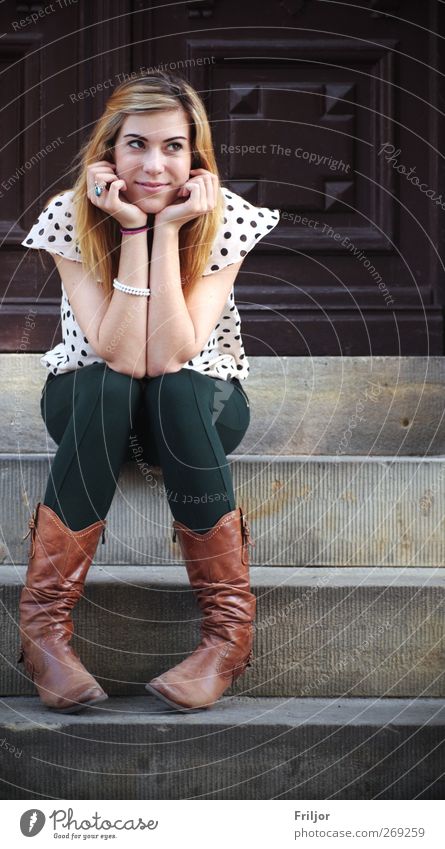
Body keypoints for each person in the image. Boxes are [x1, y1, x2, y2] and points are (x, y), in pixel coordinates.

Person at [17, 70, 280, 714]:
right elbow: (118, 353)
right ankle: (44, 633)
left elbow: (168, 356)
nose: (155, 165)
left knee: (176, 384)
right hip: (90, 403)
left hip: (196, 411)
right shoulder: (71, 214)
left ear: (196, 156)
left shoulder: (226, 218)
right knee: (107, 380)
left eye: (173, 147)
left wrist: (166, 233)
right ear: (109, 150)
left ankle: (226, 638)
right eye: (137, 144)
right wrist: (132, 230)